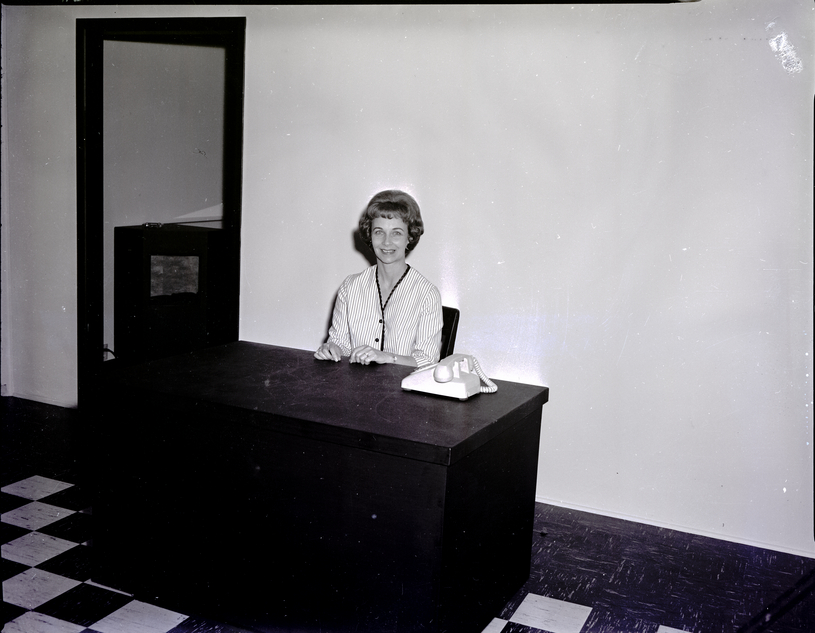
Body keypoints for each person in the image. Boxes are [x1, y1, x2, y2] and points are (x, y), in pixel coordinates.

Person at [314, 190, 443, 367]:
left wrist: (387, 357)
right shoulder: (350, 287)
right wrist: (332, 349)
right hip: (357, 382)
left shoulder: (427, 294)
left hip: (403, 384)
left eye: (396, 233)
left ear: (410, 237)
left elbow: (427, 360)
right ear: (370, 235)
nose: (386, 242)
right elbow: (340, 343)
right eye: (379, 232)